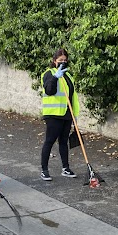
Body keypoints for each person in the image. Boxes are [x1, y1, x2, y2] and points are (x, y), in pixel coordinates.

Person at [40, 48, 79, 181]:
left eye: (65, 60)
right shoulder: (48, 74)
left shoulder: (68, 76)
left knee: (63, 142)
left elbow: (72, 96)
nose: (63, 62)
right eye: (60, 60)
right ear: (54, 61)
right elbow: (49, 90)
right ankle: (44, 170)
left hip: (67, 114)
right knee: (49, 141)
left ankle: (65, 168)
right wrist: (56, 77)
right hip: (53, 115)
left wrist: (75, 115)